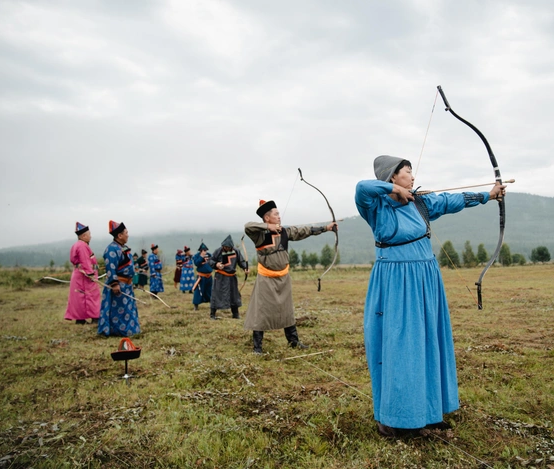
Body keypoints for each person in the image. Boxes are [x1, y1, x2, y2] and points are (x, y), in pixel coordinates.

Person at [355, 155, 506, 437]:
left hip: (426, 278)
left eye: (412, 173)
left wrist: (489, 195)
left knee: (427, 341)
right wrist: (393, 192)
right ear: (392, 178)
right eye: (406, 173)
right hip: (397, 282)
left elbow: (452, 200)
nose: (412, 177)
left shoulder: (421, 203)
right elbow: (362, 188)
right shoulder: (376, 207)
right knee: (403, 346)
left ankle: (427, 410)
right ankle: (396, 418)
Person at [244, 199, 337, 354]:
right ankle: (257, 347)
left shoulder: (285, 232)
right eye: (276, 214)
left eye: (279, 213)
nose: (279, 216)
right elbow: (247, 226)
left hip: (283, 277)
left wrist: (326, 228)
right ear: (267, 218)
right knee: (261, 310)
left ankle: (293, 341)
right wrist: (269, 227)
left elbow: (304, 230)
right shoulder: (259, 235)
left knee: (287, 310)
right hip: (266, 278)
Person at [97, 220, 140, 336]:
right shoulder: (111, 249)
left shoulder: (124, 248)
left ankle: (130, 330)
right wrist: (114, 284)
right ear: (119, 235)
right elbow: (111, 268)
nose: (128, 235)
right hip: (118, 285)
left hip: (127, 285)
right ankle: (116, 331)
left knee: (127, 309)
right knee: (119, 310)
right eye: (126, 232)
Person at [64, 222, 100, 324]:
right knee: (90, 295)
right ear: (84, 236)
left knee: (79, 297)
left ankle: (80, 319)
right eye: (89, 234)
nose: (91, 237)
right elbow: (85, 261)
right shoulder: (82, 246)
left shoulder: (77, 245)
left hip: (79, 275)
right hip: (84, 276)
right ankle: (94, 318)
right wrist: (91, 274)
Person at [209, 234, 249, 320]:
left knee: (234, 295)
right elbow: (210, 260)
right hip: (220, 277)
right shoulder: (218, 251)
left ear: (231, 246)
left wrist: (245, 268)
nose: (226, 248)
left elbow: (241, 261)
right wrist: (216, 264)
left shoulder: (236, 251)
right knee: (216, 294)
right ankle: (212, 314)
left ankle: (235, 314)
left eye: (228, 247)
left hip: (231, 277)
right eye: (225, 247)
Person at [192, 242, 213, 311]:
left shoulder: (209, 255)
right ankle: (196, 305)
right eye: (203, 250)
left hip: (209, 277)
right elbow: (196, 263)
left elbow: (213, 261)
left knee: (209, 291)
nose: (205, 252)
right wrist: (201, 257)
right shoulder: (196, 256)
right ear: (200, 251)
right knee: (198, 291)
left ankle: (212, 305)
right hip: (201, 277)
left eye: (205, 250)